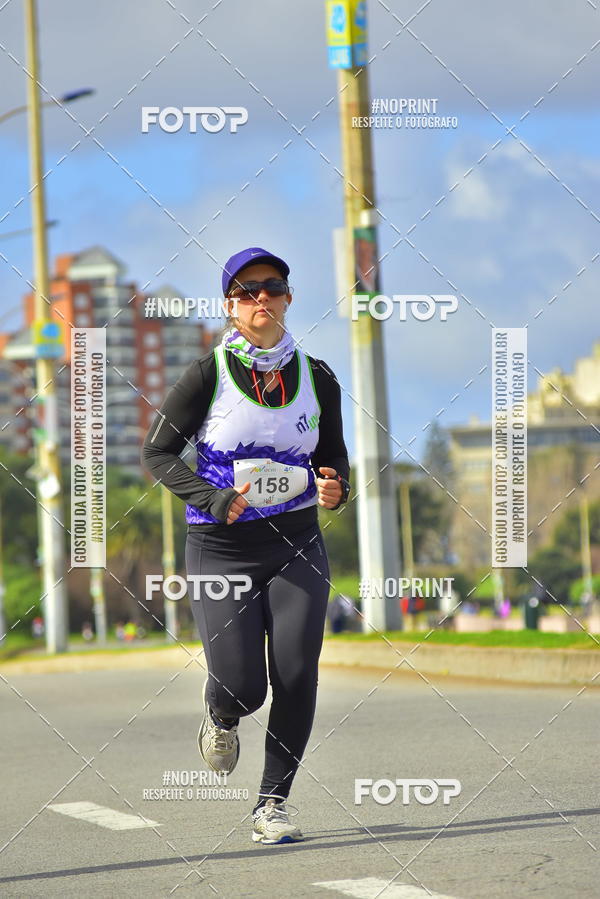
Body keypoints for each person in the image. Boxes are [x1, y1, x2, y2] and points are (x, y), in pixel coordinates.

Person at [142, 247, 351, 845]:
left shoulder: (319, 377)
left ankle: (272, 806)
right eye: (248, 290)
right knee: (243, 685)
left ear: (289, 298)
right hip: (220, 546)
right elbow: (158, 453)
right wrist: (212, 498)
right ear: (230, 305)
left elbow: (332, 458)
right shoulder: (207, 374)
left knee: (295, 672)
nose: (262, 298)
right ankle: (221, 711)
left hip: (296, 541)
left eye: (273, 287)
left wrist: (336, 487)